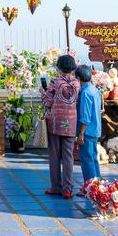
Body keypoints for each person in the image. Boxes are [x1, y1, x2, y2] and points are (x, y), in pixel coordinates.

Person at [42, 54, 80, 199]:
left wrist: (43, 93)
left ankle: (56, 187)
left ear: (59, 67)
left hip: (55, 123)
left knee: (54, 156)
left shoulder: (55, 82)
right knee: (68, 157)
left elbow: (47, 102)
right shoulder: (77, 84)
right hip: (70, 124)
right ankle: (67, 189)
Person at [75, 65, 102, 187]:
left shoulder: (85, 93)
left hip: (87, 131)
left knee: (87, 160)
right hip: (95, 129)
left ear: (78, 78)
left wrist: (80, 133)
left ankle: (90, 188)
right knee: (94, 158)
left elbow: (85, 116)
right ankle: (98, 185)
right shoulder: (95, 90)